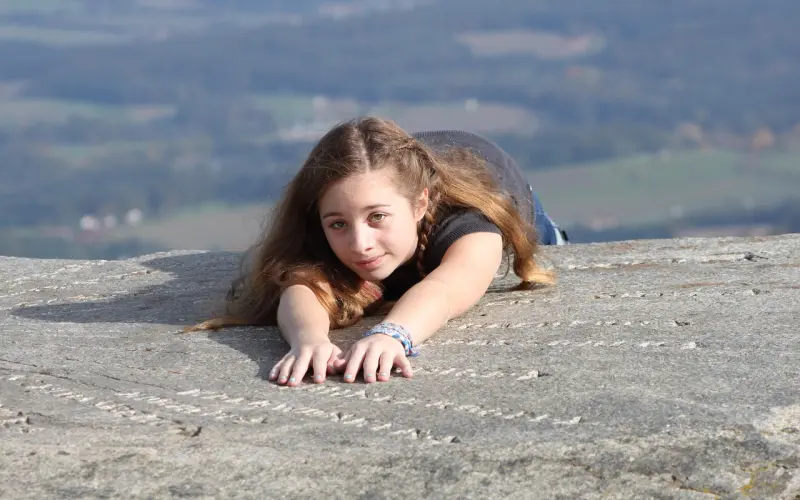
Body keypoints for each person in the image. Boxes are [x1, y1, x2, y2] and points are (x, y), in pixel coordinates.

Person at [185, 117, 567, 387]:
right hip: (402, 173)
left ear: (420, 204)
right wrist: (310, 341)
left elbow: (448, 287)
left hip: (499, 188)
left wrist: (392, 334)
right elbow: (302, 286)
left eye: (377, 217)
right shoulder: (337, 212)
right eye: (338, 223)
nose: (359, 243)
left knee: (545, 246)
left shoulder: (469, 221)